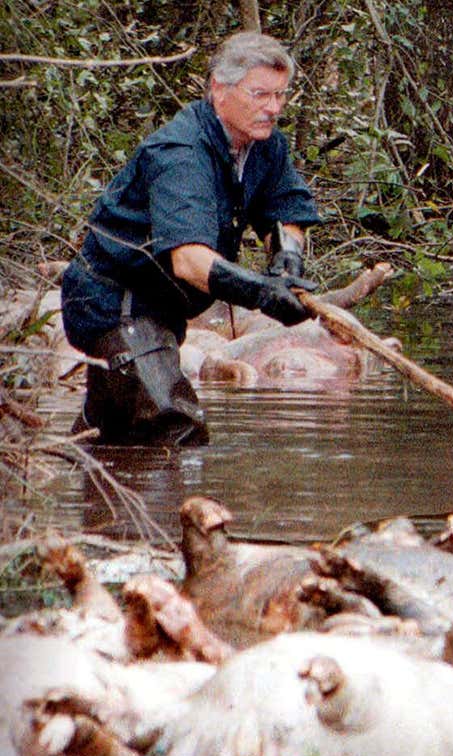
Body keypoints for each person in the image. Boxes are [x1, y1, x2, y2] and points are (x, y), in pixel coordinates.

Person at [60, 31, 321, 446]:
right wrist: (262, 293)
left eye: (280, 96)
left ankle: (84, 491)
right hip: (114, 304)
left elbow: (287, 211)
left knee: (108, 436)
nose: (273, 109)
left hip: (160, 308)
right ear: (220, 88)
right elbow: (189, 262)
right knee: (176, 428)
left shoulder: (264, 147)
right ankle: (183, 511)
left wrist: (285, 262)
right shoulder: (181, 152)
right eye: (260, 95)